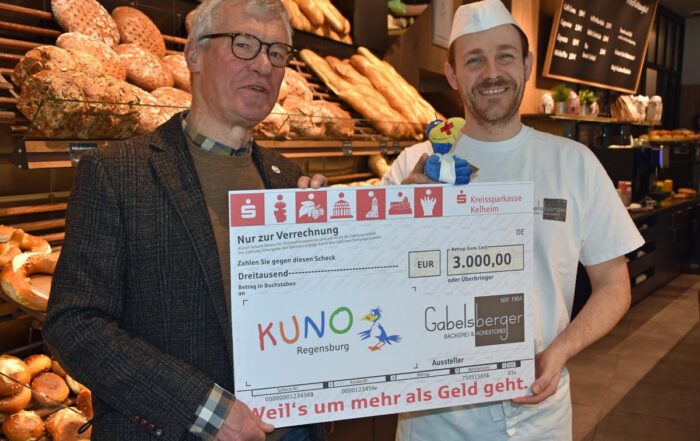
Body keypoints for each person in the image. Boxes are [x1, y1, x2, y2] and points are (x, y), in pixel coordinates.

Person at [43, 1, 326, 440]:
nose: (264, 65)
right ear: (194, 54)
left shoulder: (290, 181)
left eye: (276, 52)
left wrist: (334, 245)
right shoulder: (116, 173)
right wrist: (205, 409)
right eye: (244, 44)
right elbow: (75, 325)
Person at [382, 0, 644, 439]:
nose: (491, 73)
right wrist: (398, 221)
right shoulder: (415, 165)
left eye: (504, 56)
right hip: (435, 419)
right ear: (452, 74)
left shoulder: (574, 163)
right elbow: (370, 282)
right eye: (474, 60)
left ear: (526, 65)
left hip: (539, 415)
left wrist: (560, 352)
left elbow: (614, 286)